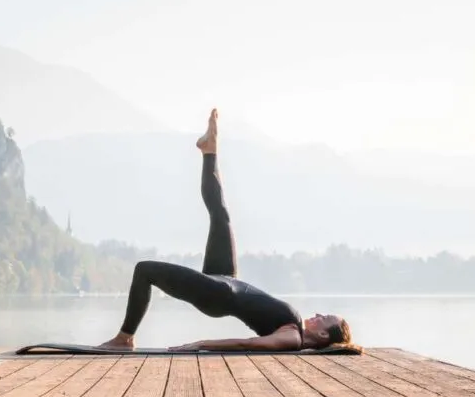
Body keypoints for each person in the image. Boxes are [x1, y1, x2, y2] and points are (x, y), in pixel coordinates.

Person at [97, 108, 353, 352]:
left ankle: (124, 338)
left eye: (325, 318)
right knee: (221, 214)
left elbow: (248, 344)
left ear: (322, 335)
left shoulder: (292, 338)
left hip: (218, 295)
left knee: (145, 270)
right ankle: (210, 150)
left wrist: (202, 343)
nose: (319, 314)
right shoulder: (295, 329)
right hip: (226, 279)